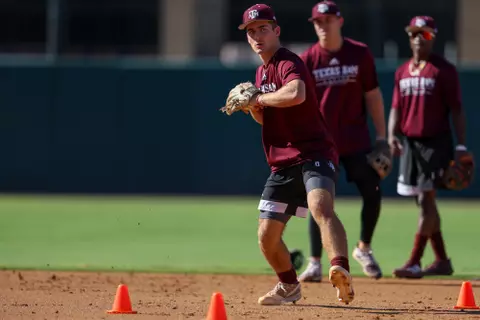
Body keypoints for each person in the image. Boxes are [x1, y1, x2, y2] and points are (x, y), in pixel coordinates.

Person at [222, 3, 354, 305]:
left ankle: (339, 268)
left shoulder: (287, 62)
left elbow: (296, 94)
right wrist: (252, 107)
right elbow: (264, 117)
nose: (257, 36)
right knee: (266, 237)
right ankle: (289, 286)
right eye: (251, 32)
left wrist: (260, 98)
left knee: (320, 206)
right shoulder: (261, 71)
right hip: (281, 162)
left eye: (263, 29)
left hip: (313, 151)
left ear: (276, 31)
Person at [296, 1, 389, 282]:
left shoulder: (359, 54)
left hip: (355, 139)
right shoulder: (308, 59)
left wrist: (383, 138)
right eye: (318, 22)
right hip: (322, 143)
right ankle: (314, 262)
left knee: (372, 191)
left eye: (328, 20)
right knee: (319, 201)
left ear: (340, 21)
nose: (323, 26)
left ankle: (364, 248)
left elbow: (373, 95)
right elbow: (301, 104)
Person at [388, 16, 470, 278]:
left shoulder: (444, 70)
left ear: (432, 37)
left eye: (423, 34)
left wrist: (461, 145)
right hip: (411, 144)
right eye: (413, 33)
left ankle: (414, 261)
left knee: (425, 200)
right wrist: (391, 136)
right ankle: (442, 260)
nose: (417, 39)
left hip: (436, 143)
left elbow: (456, 110)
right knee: (424, 202)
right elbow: (396, 108)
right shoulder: (402, 71)